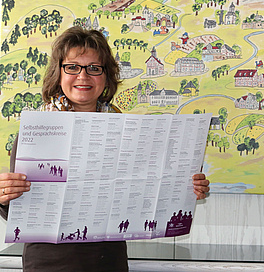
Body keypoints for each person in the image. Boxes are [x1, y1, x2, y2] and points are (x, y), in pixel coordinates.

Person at [0, 26, 210, 271]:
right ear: (58, 73)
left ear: (106, 76)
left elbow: (142, 190)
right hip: (50, 264)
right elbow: (19, 210)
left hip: (109, 262)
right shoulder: (36, 131)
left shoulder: (130, 132)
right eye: (72, 67)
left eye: (94, 68)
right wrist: (4, 197)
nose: (83, 76)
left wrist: (186, 189)